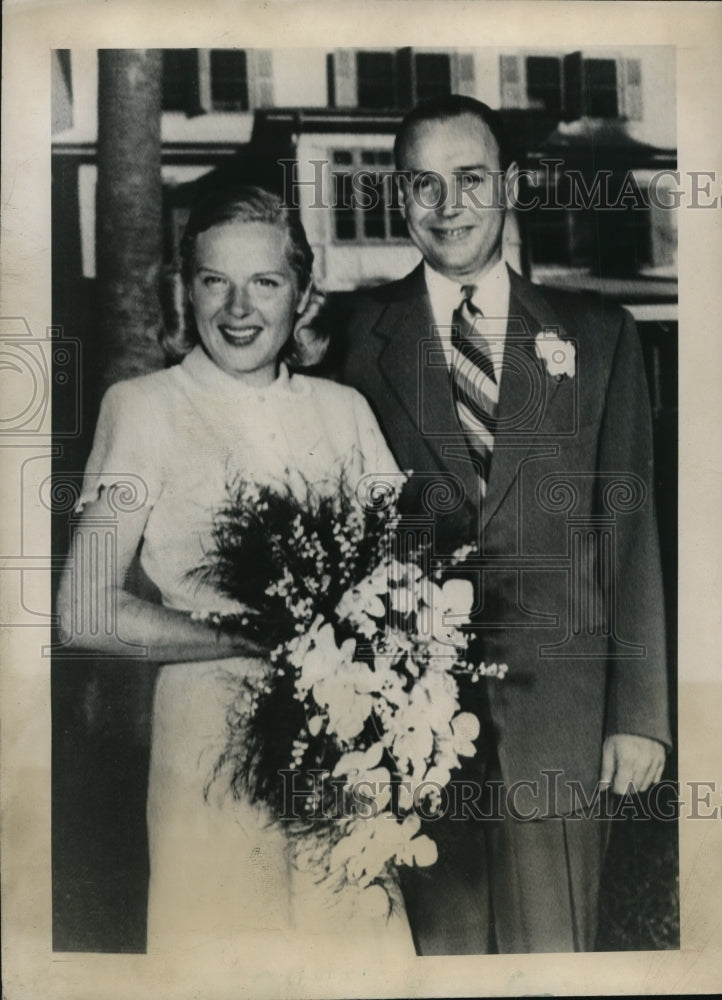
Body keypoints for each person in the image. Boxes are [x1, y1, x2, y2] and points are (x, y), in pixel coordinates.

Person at [320, 95, 671, 954]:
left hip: (562, 712)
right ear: (398, 197)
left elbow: (626, 535)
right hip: (406, 725)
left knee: (555, 952)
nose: (447, 207)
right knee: (435, 953)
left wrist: (641, 710)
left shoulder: (599, 335)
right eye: (422, 185)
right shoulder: (353, 339)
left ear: (509, 185)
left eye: (469, 179)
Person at [57, 185, 414, 958]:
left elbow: (399, 594)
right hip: (206, 747)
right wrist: (245, 636)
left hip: (341, 744)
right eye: (215, 280)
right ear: (186, 291)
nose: (238, 308)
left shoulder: (344, 410)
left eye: (265, 282)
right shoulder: (143, 405)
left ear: (305, 295)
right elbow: (83, 610)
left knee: (353, 958)